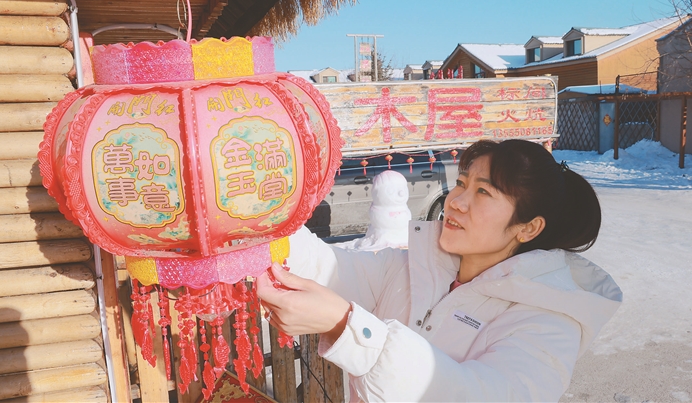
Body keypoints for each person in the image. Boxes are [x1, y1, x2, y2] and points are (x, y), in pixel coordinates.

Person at [257, 139, 623, 402]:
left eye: (483, 192)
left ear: (528, 228)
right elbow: (329, 267)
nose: (457, 201)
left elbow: (485, 394)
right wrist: (255, 215)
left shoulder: (550, 321)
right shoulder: (414, 266)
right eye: (462, 183)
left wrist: (348, 329)